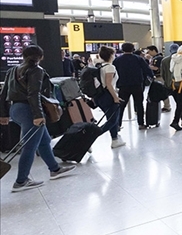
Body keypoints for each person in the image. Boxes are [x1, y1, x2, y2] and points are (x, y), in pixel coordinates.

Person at [0, 45, 76, 192]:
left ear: (23, 56)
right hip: (29, 110)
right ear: (41, 57)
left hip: (16, 110)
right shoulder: (36, 70)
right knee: (29, 146)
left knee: (44, 140)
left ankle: (54, 169)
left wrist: (3, 114)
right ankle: (21, 181)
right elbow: (33, 94)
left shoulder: (12, 70)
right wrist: (38, 115)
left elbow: (3, 94)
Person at [113, 43, 153, 130]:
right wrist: (152, 77)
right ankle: (141, 124)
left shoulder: (117, 60)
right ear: (133, 49)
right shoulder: (138, 58)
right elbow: (147, 69)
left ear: (122, 49)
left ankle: (118, 124)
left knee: (121, 106)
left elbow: (113, 72)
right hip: (137, 84)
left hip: (123, 85)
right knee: (139, 104)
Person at [92, 46, 126, 148]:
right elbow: (108, 84)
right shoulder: (110, 67)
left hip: (99, 96)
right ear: (111, 55)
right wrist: (115, 97)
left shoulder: (99, 66)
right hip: (108, 95)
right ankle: (90, 138)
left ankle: (115, 139)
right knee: (112, 120)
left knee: (111, 118)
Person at [160, 43, 182, 132]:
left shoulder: (164, 60)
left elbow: (163, 74)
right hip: (181, 84)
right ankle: (175, 121)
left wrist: (167, 82)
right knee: (181, 103)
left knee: (179, 102)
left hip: (170, 85)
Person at [146, 45, 171, 113]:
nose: (148, 53)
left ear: (153, 50)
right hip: (156, 77)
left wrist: (147, 66)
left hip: (159, 77)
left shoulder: (158, 58)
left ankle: (167, 106)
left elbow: (156, 68)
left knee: (162, 91)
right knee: (158, 91)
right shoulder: (154, 58)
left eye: (149, 51)